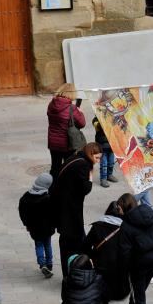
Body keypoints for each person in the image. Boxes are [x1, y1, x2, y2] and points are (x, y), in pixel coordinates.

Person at [50, 143, 100, 275]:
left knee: (71, 241)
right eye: (97, 157)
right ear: (90, 154)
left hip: (62, 208)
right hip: (70, 211)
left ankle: (70, 271)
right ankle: (74, 272)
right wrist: (90, 177)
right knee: (74, 242)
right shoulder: (84, 165)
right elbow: (86, 188)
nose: (98, 161)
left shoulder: (75, 157)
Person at [85, 201, 128, 304]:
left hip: (99, 265)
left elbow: (85, 246)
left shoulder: (97, 226)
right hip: (117, 267)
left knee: (99, 292)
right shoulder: (125, 229)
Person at [18, 173, 56, 278]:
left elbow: (22, 212)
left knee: (38, 245)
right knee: (47, 245)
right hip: (47, 228)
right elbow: (54, 213)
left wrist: (26, 224)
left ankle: (42, 264)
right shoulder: (48, 199)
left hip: (34, 229)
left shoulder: (25, 197)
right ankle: (49, 264)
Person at [46, 83, 86, 176]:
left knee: (55, 166)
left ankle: (53, 186)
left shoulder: (51, 104)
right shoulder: (72, 108)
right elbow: (82, 124)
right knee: (68, 167)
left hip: (53, 142)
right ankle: (65, 187)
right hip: (67, 143)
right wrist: (81, 113)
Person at [92, 116, 117, 188]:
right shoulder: (96, 120)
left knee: (111, 162)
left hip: (112, 145)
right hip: (102, 147)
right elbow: (98, 126)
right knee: (104, 164)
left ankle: (109, 175)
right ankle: (103, 178)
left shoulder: (112, 117)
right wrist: (103, 119)